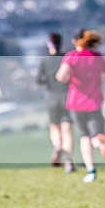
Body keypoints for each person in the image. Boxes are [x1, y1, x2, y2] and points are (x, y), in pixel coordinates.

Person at [56, 28, 105, 183]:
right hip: (96, 102)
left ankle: (91, 170)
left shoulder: (71, 57)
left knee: (84, 137)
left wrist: (71, 76)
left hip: (76, 103)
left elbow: (61, 77)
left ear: (75, 42)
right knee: (96, 135)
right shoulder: (97, 57)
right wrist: (97, 77)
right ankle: (101, 145)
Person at [35, 32, 74, 172]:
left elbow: (38, 79)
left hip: (51, 98)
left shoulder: (44, 61)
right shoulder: (67, 58)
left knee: (54, 127)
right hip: (67, 97)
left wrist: (49, 81)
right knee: (67, 130)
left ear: (48, 44)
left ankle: (58, 147)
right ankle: (69, 160)